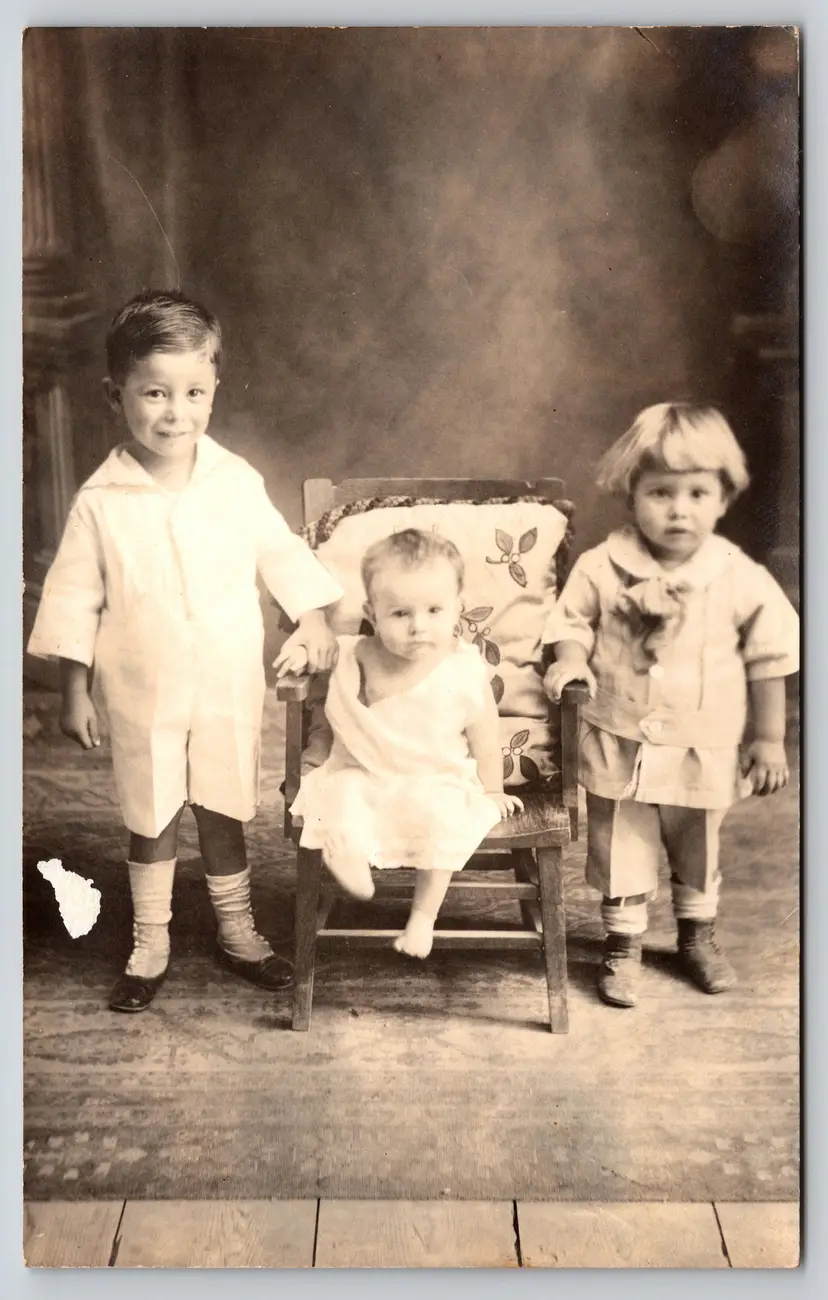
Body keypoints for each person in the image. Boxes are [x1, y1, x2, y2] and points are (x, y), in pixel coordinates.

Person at [28, 289, 342, 1012]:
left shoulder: (233, 482)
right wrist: (73, 689)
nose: (175, 413)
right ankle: (150, 941)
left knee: (223, 803)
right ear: (116, 395)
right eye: (155, 394)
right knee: (153, 809)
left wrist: (315, 618)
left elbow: (280, 553)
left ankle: (239, 932)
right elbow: (75, 596)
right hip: (141, 685)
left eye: (194, 392)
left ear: (215, 389)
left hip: (226, 677)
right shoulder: (103, 500)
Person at [542, 402, 799, 1008]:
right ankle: (623, 946)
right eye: (661, 492)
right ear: (632, 494)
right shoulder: (604, 566)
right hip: (620, 735)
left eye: (696, 493)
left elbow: (770, 656)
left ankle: (696, 937)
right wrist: (572, 657)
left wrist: (767, 738)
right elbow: (571, 621)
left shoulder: (735, 573)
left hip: (701, 741)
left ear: (723, 497)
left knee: (697, 842)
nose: (679, 509)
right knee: (621, 845)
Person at [290, 528, 523, 958]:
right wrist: (303, 652)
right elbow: (319, 658)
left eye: (435, 610)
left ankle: (423, 917)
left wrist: (492, 789)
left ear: (459, 608)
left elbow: (486, 738)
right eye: (400, 614)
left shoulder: (463, 671)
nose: (419, 627)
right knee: (341, 796)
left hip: (434, 778)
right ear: (371, 613)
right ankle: (352, 865)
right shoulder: (351, 654)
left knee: (446, 820)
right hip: (362, 769)